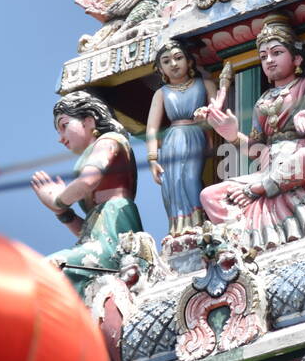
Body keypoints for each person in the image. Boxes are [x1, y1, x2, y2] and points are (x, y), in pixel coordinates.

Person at [197, 14, 305, 248]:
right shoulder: (262, 101)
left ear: (296, 59)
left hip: (295, 158)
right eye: (264, 56)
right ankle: (238, 233)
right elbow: (257, 149)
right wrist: (232, 135)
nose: (269, 61)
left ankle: (258, 191)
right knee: (209, 196)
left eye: (277, 53)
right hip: (267, 166)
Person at [31, 92, 143, 295]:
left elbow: (87, 181)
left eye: (64, 125)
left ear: (89, 121)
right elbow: (89, 233)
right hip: (102, 239)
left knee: (46, 270)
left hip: (117, 239)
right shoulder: (100, 208)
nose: (60, 138)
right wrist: (64, 214)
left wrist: (58, 199)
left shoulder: (108, 141)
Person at [145, 42, 220, 234]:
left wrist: (208, 116)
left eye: (178, 58)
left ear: (189, 61)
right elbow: (152, 128)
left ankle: (198, 220)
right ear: (160, 68)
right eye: (166, 61)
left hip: (194, 134)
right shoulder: (161, 93)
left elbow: (217, 111)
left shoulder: (205, 84)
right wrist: (152, 158)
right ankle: (180, 226)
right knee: (173, 181)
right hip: (171, 140)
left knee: (191, 177)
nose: (173, 64)